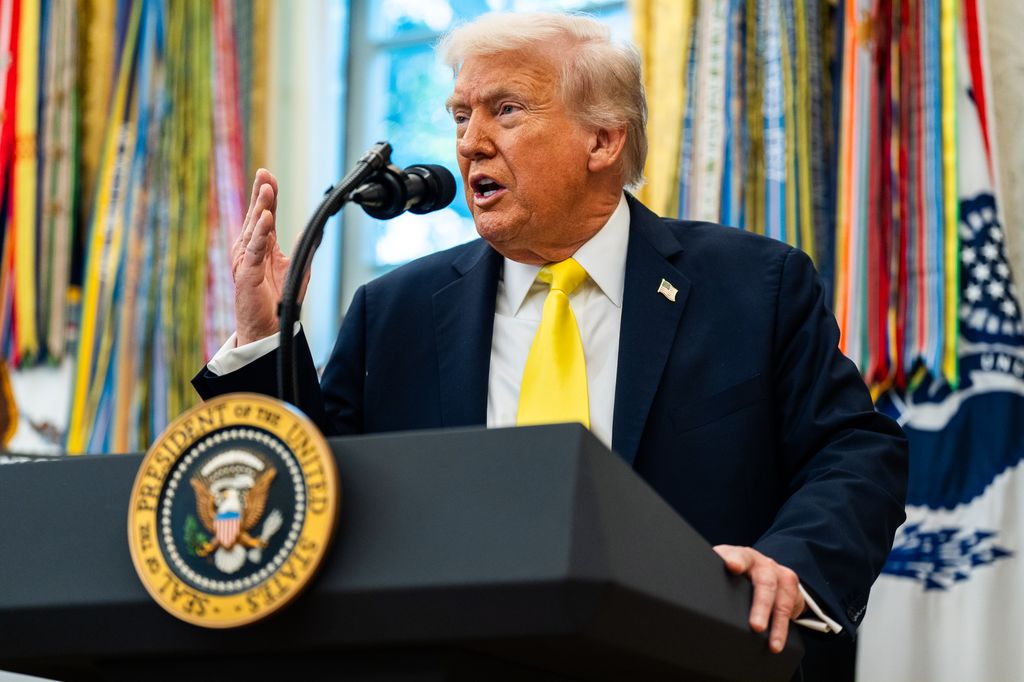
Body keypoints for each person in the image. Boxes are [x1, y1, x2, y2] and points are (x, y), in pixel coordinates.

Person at [193, 11, 907, 678]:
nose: (470, 140)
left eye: (505, 110)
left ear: (604, 139)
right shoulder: (397, 311)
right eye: (460, 115)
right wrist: (263, 334)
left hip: (689, 661)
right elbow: (309, 495)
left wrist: (791, 565)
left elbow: (855, 452)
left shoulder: (754, 285)